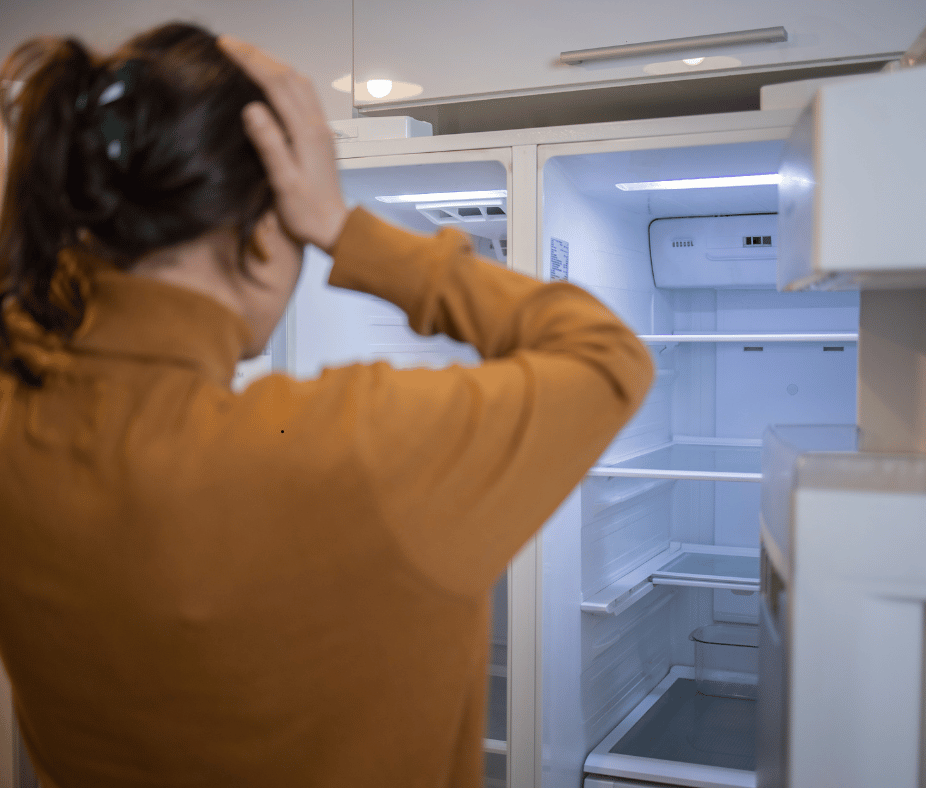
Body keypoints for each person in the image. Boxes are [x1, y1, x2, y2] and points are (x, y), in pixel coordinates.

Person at [0, 21, 654, 788]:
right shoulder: (363, 451)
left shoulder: (20, 418)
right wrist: (343, 226)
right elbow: (606, 354)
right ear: (269, 227)